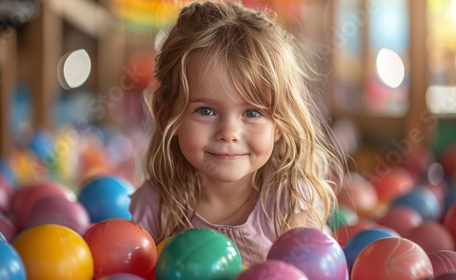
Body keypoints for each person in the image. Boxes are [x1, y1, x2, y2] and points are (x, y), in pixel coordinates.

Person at [130, 0, 346, 266]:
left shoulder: (291, 202)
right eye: (206, 111)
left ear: (279, 124)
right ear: (167, 116)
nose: (229, 133)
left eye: (252, 113)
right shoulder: (156, 204)